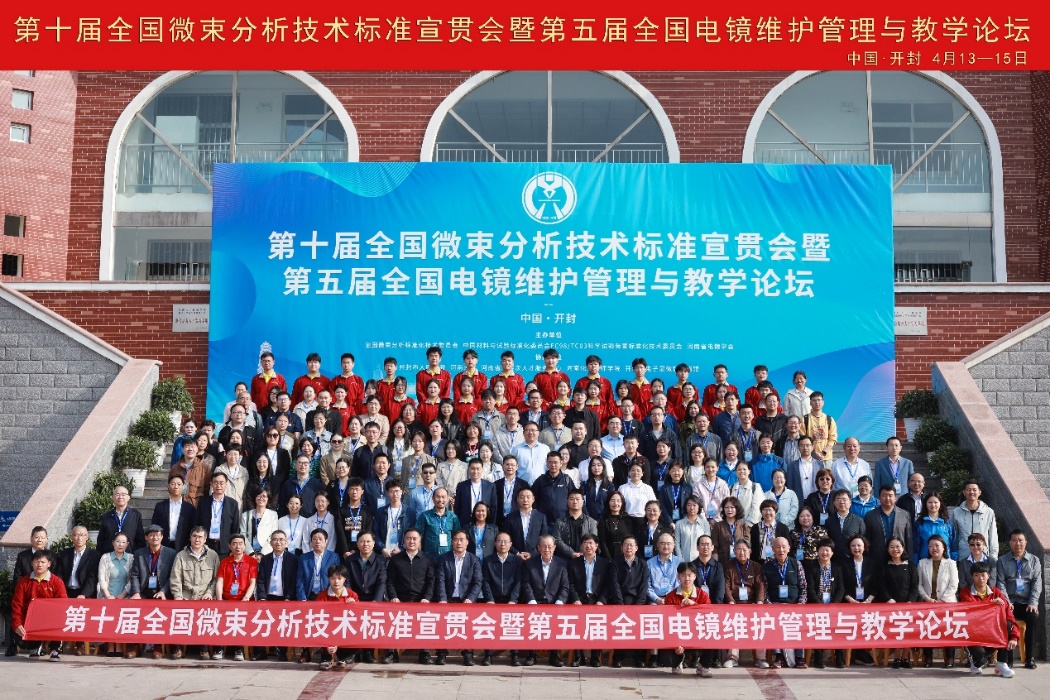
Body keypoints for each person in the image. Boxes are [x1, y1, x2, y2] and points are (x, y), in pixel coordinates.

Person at [960, 560, 1021, 677]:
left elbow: (1009, 616)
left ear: (988, 575)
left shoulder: (996, 592)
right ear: (972, 577)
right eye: (976, 575)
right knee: (980, 660)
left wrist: (1014, 637)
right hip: (975, 636)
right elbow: (972, 611)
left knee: (1007, 624)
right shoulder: (965, 592)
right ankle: (976, 661)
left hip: (993, 634)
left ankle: (1001, 663)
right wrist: (990, 604)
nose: (980, 578)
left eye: (983, 575)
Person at [170, 526, 220, 660]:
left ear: (205, 539)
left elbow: (216, 579)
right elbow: (175, 579)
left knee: (206, 616)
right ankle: (178, 648)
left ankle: (204, 649)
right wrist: (178, 596)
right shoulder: (181, 556)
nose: (197, 540)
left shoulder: (213, 555)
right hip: (186, 596)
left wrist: (210, 593)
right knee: (179, 614)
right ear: (190, 538)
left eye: (200, 537)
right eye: (194, 536)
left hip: (205, 597)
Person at [434, 530, 483, 666]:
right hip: (448, 598)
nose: (459, 542)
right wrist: (442, 599)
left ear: (467, 542)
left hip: (466, 599)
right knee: (442, 625)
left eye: (462, 540)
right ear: (452, 542)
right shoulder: (444, 558)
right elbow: (440, 580)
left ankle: (468, 654)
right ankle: (442, 653)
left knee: (468, 626)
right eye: (456, 539)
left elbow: (477, 582)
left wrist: (470, 598)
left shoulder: (474, 560)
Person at [521, 534, 571, 666]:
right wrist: (531, 600)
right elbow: (526, 584)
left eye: (549, 546)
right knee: (532, 624)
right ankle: (531, 655)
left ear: (554, 548)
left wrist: (560, 601)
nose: (547, 549)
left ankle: (554, 656)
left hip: (554, 602)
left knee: (556, 625)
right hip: (536, 601)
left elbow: (565, 586)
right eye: (544, 546)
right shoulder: (530, 563)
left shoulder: (561, 564)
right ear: (538, 548)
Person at [996, 529, 1042, 669]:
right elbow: (1000, 583)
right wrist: (1006, 602)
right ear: (1010, 543)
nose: (1017, 543)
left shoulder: (1034, 560)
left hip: (1026, 603)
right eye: (1014, 540)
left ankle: (1029, 658)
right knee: (1006, 620)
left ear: (1026, 542)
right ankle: (1008, 660)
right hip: (1009, 602)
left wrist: (1033, 602)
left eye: (1020, 540)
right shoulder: (1002, 561)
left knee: (1033, 617)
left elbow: (1037, 583)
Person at [10, 550, 65, 662]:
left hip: (52, 617)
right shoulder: (23, 582)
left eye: (43, 562)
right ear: (32, 563)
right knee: (22, 630)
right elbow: (17, 604)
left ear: (49, 564)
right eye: (37, 562)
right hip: (31, 618)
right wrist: (17, 624)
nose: (39, 565)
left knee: (60, 619)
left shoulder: (57, 582)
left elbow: (63, 604)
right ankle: (34, 647)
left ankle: (55, 649)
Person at [763, 536, 808, 668]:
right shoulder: (767, 566)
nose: (781, 550)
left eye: (784, 547)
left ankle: (799, 657)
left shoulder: (796, 564)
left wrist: (800, 604)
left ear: (789, 548)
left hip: (794, 605)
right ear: (772, 549)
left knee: (799, 623)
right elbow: (764, 588)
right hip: (775, 605)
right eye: (778, 547)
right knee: (775, 623)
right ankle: (778, 657)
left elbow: (803, 587)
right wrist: (769, 604)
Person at [662, 562, 713, 677]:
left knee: (712, 633)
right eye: (683, 575)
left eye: (689, 575)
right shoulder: (671, 596)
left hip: (698, 631)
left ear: (695, 576)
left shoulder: (702, 594)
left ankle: (703, 665)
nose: (687, 578)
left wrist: (694, 605)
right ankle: (678, 662)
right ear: (678, 576)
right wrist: (675, 642)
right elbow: (667, 620)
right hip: (678, 633)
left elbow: (709, 614)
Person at [481, 531, 524, 666]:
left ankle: (514, 655)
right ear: (495, 543)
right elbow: (485, 581)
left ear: (511, 544)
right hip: (493, 600)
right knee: (489, 626)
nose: (502, 544)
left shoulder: (517, 561)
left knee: (513, 627)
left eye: (506, 542)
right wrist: (489, 599)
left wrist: (513, 600)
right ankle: (488, 655)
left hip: (511, 600)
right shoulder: (488, 561)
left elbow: (519, 582)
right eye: (500, 541)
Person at [344, 531, 388, 663]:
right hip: (355, 598)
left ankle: (368, 651)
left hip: (373, 598)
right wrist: (351, 597)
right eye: (362, 541)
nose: (365, 544)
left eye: (368, 541)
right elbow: (347, 582)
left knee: (372, 621)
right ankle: (354, 651)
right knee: (351, 619)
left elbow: (382, 582)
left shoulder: (380, 561)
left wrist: (376, 601)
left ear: (374, 543)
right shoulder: (350, 560)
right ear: (357, 544)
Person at [255, 529, 298, 661]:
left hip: (284, 598)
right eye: (275, 540)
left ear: (286, 542)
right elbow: (260, 579)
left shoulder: (293, 559)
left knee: (283, 624)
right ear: (270, 543)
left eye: (281, 540)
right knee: (262, 623)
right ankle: (261, 652)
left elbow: (294, 581)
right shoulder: (266, 559)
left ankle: (282, 652)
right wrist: (262, 597)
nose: (278, 542)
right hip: (268, 597)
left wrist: (289, 597)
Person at [723, 538, 767, 669]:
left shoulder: (756, 566)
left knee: (760, 624)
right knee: (732, 623)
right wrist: (731, 601)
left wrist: (759, 602)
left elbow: (760, 586)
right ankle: (733, 658)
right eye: (738, 550)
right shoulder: (728, 566)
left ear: (750, 551)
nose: (741, 552)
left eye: (744, 550)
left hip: (752, 604)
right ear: (734, 551)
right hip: (734, 603)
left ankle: (760, 658)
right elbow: (726, 586)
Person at [917, 534, 959, 668]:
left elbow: (954, 585)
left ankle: (950, 658)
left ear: (944, 548)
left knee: (948, 629)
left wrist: (941, 601)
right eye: (930, 546)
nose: (934, 548)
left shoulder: (951, 563)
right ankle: (928, 658)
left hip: (947, 603)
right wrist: (926, 598)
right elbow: (919, 584)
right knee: (927, 629)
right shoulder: (922, 563)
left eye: (937, 545)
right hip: (928, 603)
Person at [214, 533, 258, 660]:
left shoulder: (251, 562)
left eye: (240, 544)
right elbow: (220, 582)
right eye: (234, 544)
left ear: (244, 546)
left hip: (244, 600)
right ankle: (219, 648)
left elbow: (253, 582)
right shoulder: (225, 562)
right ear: (229, 546)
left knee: (239, 619)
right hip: (227, 599)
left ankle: (239, 649)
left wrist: (245, 599)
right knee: (218, 618)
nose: (238, 546)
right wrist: (219, 600)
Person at [877, 537, 919, 667]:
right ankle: (896, 658)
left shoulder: (910, 566)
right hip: (890, 606)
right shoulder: (884, 566)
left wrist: (910, 601)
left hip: (908, 606)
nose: (895, 549)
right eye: (892, 547)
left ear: (903, 548)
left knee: (907, 631)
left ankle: (905, 658)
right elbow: (881, 586)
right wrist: (889, 599)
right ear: (887, 549)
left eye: (898, 546)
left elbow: (914, 586)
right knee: (895, 630)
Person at [609, 536, 650, 668]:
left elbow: (644, 586)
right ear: (622, 548)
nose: (629, 547)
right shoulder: (615, 563)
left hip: (638, 601)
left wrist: (639, 605)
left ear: (636, 548)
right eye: (626, 545)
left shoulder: (643, 564)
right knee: (619, 628)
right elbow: (614, 584)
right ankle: (618, 657)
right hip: (620, 600)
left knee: (640, 629)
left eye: (631, 545)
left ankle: (639, 658)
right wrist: (620, 604)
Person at [806, 539, 845, 668]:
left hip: (833, 606)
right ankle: (819, 658)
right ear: (818, 551)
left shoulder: (837, 568)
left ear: (832, 552)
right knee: (819, 628)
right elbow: (810, 588)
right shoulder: (811, 567)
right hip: (816, 605)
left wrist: (834, 604)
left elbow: (841, 589)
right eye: (822, 550)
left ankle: (839, 657)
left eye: (827, 550)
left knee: (838, 628)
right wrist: (818, 604)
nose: (824, 553)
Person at [315, 564, 360, 670]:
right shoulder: (322, 596)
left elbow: (358, 618)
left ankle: (342, 658)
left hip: (345, 631)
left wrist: (354, 607)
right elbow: (318, 619)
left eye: (339, 578)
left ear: (345, 579)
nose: (336, 581)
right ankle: (326, 657)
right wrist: (328, 644)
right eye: (333, 578)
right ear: (329, 579)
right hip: (328, 631)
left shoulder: (352, 595)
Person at [950, 479, 1000, 561]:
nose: (971, 492)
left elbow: (993, 536)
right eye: (968, 490)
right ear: (964, 492)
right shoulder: (957, 512)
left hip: (983, 556)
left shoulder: (988, 512)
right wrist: (954, 555)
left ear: (979, 492)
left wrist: (993, 557)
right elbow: (954, 536)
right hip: (964, 556)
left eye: (974, 490)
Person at [863, 483, 914, 561]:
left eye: (890, 495)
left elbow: (908, 539)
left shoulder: (905, 515)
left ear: (895, 498)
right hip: (877, 558)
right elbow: (867, 539)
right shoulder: (870, 515)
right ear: (879, 497)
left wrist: (909, 559)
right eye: (884, 495)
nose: (887, 498)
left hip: (898, 557)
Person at [55, 525, 100, 606]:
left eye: (82, 535)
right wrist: (61, 592)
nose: (79, 538)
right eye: (76, 535)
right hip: (65, 592)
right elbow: (59, 575)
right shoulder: (65, 554)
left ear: (87, 537)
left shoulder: (94, 556)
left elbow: (92, 578)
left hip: (84, 593)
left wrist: (84, 594)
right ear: (72, 537)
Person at [97, 485, 146, 555]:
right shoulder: (107, 516)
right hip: (110, 556)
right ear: (113, 497)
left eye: (123, 494)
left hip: (130, 556)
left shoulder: (135, 515)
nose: (120, 497)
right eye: (117, 494)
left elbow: (140, 539)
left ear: (128, 497)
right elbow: (101, 539)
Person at [416, 487, 459, 558]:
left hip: (448, 557)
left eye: (443, 497)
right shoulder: (425, 516)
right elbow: (418, 535)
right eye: (438, 497)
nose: (440, 500)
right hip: (429, 557)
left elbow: (457, 536)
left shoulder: (453, 517)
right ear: (433, 498)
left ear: (448, 499)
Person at [825, 488, 866, 565]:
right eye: (838, 499)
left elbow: (863, 540)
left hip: (852, 560)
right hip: (834, 560)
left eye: (844, 499)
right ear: (834, 503)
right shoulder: (828, 522)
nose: (841, 502)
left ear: (850, 502)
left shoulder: (858, 521)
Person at [914, 492, 956, 564]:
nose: (933, 505)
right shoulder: (919, 523)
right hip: (925, 562)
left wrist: (954, 561)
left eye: (935, 502)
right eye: (930, 502)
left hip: (945, 562)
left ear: (940, 504)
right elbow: (916, 546)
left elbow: (953, 544)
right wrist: (915, 563)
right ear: (925, 504)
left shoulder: (947, 523)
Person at [374, 479, 408, 557]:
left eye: (397, 491)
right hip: (384, 553)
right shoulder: (380, 512)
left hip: (402, 554)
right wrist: (382, 548)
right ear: (387, 493)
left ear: (402, 492)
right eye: (391, 491)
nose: (395, 494)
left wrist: (401, 549)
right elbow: (375, 533)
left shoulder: (409, 512)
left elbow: (411, 533)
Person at [242, 486, 279, 557]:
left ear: (268, 499)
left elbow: (273, 536)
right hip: (249, 553)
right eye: (258, 495)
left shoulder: (273, 515)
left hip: (266, 553)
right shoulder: (245, 515)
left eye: (264, 496)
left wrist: (262, 554)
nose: (261, 498)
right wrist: (251, 553)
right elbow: (243, 535)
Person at [711, 497, 750, 564]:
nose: (729, 510)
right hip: (723, 561)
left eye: (732, 507)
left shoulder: (744, 526)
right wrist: (716, 564)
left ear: (737, 509)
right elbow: (714, 547)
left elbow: (748, 546)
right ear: (723, 509)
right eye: (727, 507)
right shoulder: (718, 526)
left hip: (740, 561)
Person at [803, 392, 837, 465]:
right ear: (810, 403)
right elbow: (802, 438)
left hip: (826, 458)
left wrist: (824, 452)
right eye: (814, 400)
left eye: (819, 400)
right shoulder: (804, 419)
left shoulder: (829, 419)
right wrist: (814, 453)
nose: (817, 402)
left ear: (823, 402)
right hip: (809, 458)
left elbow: (833, 438)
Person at [785, 435, 820, 505]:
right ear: (798, 448)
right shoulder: (792, 466)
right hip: (798, 501)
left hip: (816, 501)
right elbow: (790, 486)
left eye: (808, 445)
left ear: (812, 447)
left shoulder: (820, 465)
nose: (805, 448)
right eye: (802, 445)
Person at [598, 491, 633, 561]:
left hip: (625, 557)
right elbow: (602, 542)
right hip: (607, 557)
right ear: (608, 503)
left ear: (622, 503)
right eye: (613, 500)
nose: (616, 503)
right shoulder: (603, 520)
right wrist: (609, 560)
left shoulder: (628, 520)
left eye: (618, 501)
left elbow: (631, 540)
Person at [693, 458, 730, 524]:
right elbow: (696, 504)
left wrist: (718, 520)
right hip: (702, 522)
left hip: (720, 521)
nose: (710, 469)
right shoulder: (698, 485)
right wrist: (704, 521)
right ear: (704, 468)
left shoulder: (723, 485)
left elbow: (726, 503)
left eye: (713, 467)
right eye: (707, 467)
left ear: (717, 468)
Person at [673, 496, 710, 562]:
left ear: (699, 507)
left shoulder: (705, 524)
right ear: (685, 507)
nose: (692, 508)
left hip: (700, 561)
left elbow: (707, 543)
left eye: (694, 505)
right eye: (689, 505)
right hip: (683, 561)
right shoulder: (679, 524)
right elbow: (677, 543)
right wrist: (680, 559)